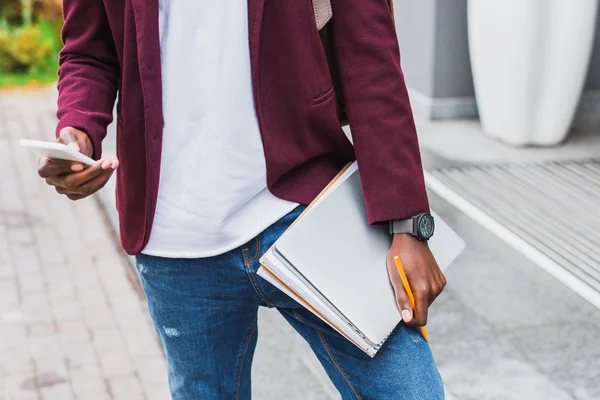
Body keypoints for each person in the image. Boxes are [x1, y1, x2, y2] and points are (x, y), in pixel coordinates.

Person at [39, 0, 447, 398]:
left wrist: (408, 222)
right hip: (177, 238)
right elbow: (89, 51)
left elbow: (370, 58)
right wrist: (79, 128)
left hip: (306, 204)